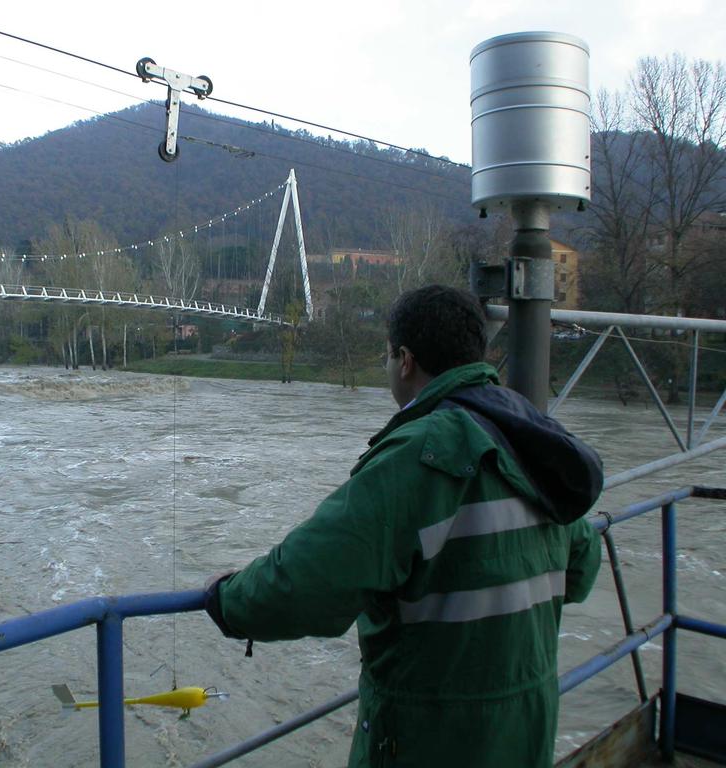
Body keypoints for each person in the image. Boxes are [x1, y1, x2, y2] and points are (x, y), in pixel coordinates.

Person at [205, 284, 603, 768]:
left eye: (388, 356)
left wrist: (227, 601)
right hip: (528, 724)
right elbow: (580, 571)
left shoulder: (420, 455)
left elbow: (306, 582)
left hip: (432, 736)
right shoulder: (532, 440)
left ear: (406, 360)